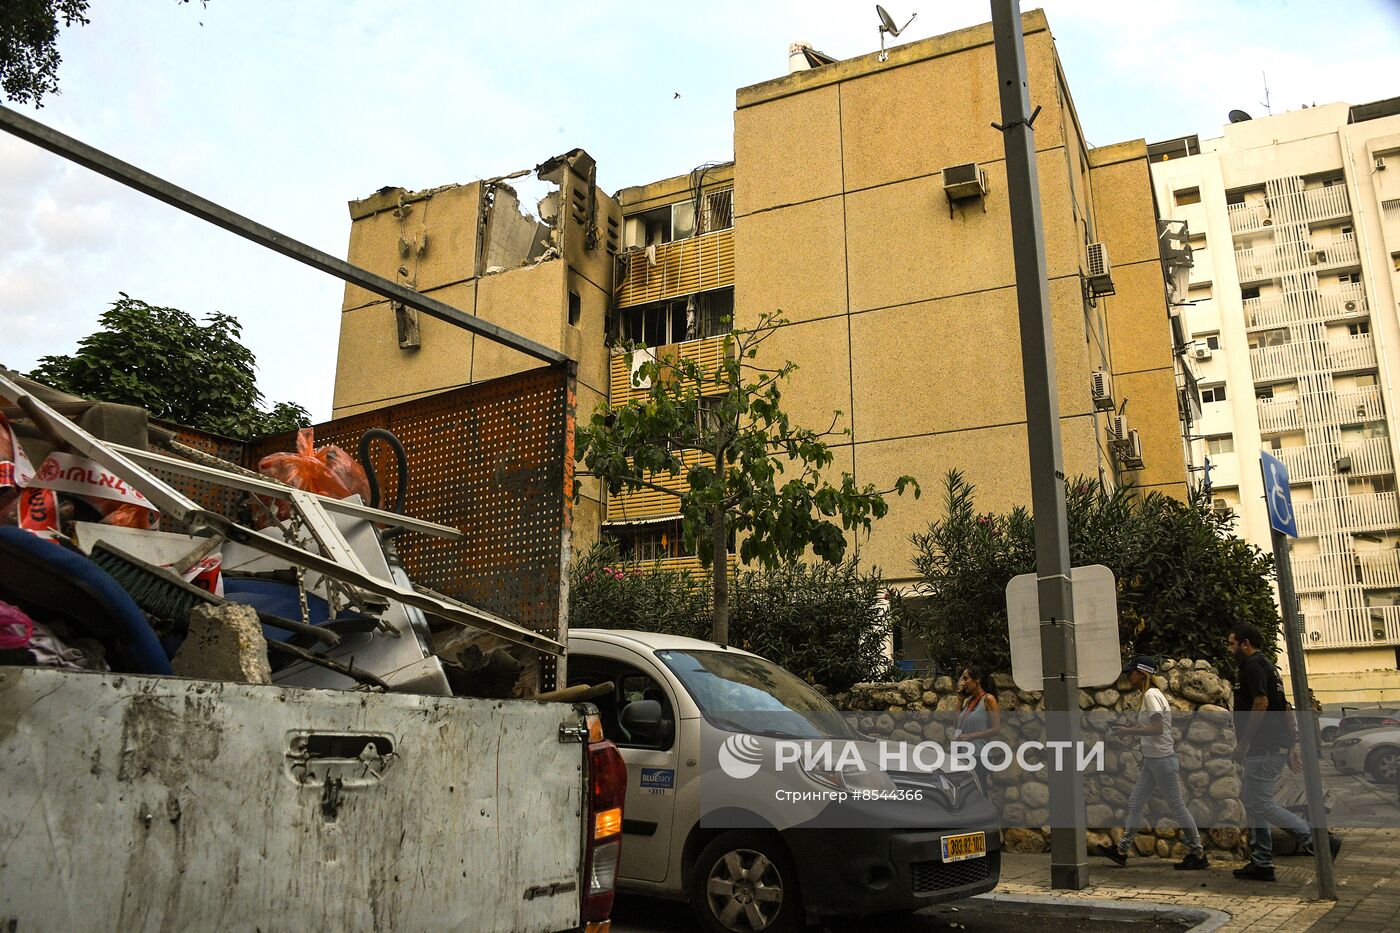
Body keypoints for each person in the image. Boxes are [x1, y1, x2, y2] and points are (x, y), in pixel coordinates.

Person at [1228, 622, 1341, 881]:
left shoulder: (1253, 665)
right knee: (1254, 804)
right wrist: (1291, 745)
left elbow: (1262, 702)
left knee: (1261, 804)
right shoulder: (1269, 667)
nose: (1229, 648)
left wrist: (1244, 742)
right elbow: (1286, 707)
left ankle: (1319, 839)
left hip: (1262, 748)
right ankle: (1262, 863)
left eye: (1232, 643)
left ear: (1245, 643)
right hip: (1272, 747)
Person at [1095, 655, 1208, 871]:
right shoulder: (1152, 695)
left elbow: (1157, 729)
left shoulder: (1151, 696)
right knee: (1136, 803)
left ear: (1143, 673)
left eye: (1132, 672)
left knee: (1177, 806)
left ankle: (1198, 853)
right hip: (1154, 761)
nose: (1130, 676)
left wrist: (1128, 731)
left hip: (1162, 760)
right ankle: (1121, 850)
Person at [953, 664, 1000, 791]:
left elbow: (996, 729)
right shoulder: (968, 701)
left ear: (977, 680)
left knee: (979, 790)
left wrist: (969, 736)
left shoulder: (988, 699)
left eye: (965, 678)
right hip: (964, 753)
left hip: (979, 755)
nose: (963, 683)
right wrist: (960, 700)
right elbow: (955, 723)